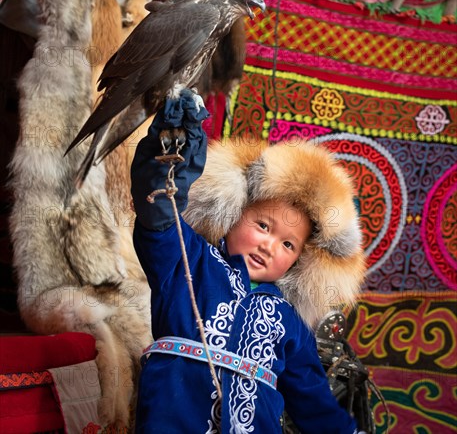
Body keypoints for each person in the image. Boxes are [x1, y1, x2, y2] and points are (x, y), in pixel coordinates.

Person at [131, 90, 366, 433]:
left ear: (300, 259)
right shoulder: (189, 261)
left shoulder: (291, 319)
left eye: (288, 243)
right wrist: (166, 175)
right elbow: (159, 219)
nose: (270, 246)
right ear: (234, 214)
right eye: (262, 226)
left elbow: (311, 398)